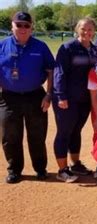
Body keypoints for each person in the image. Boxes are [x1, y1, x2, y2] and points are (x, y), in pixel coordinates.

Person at [0, 12, 55, 183]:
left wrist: (49, 94)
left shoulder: (41, 47)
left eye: (26, 25)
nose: (23, 28)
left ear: (32, 28)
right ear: (12, 26)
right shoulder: (2, 46)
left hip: (35, 96)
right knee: (10, 136)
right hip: (8, 97)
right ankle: (14, 170)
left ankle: (40, 168)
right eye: (19, 25)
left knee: (37, 135)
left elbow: (51, 71)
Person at [52, 17, 97, 183]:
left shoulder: (94, 50)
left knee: (76, 131)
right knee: (64, 132)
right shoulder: (68, 48)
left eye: (90, 29)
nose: (87, 32)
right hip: (67, 98)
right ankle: (62, 169)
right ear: (77, 30)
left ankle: (75, 164)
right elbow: (60, 73)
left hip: (84, 99)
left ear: (94, 31)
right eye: (83, 29)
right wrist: (61, 96)